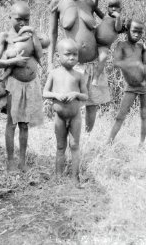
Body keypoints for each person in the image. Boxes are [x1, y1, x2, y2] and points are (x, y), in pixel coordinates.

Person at [49, 0, 110, 133]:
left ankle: (88, 139)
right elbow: (53, 34)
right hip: (71, 66)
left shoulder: (88, 4)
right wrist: (49, 63)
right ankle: (69, 140)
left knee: (91, 105)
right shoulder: (58, 3)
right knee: (69, 105)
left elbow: (107, 24)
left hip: (92, 65)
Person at [0, 1, 44, 172]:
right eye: (19, 19)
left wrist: (34, 35)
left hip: (30, 85)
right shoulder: (5, 36)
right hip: (13, 84)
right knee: (12, 123)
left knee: (24, 124)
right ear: (10, 16)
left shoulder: (30, 35)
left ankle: (22, 161)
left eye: (26, 20)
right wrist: (13, 61)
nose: (23, 23)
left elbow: (39, 55)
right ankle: (10, 160)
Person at [43, 39, 88, 185]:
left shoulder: (79, 75)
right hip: (59, 117)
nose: (72, 58)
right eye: (68, 54)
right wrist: (56, 95)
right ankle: (58, 176)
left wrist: (75, 94)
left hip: (75, 116)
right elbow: (45, 92)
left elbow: (85, 96)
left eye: (75, 54)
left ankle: (75, 177)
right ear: (57, 56)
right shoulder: (54, 74)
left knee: (74, 145)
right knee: (60, 146)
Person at [107, 20, 146, 147]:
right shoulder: (121, 45)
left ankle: (142, 144)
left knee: (144, 114)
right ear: (127, 30)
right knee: (120, 116)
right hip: (131, 86)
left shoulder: (141, 46)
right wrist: (134, 63)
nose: (137, 35)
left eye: (140, 32)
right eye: (134, 31)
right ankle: (109, 142)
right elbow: (116, 63)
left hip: (144, 85)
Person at [93, 0, 123, 85]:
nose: (113, 9)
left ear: (120, 9)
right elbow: (95, 8)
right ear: (107, 8)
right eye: (111, 6)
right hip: (94, 40)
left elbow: (118, 29)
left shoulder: (119, 20)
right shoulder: (105, 17)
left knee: (103, 58)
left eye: (116, 7)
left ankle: (96, 77)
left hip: (104, 46)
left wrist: (118, 18)